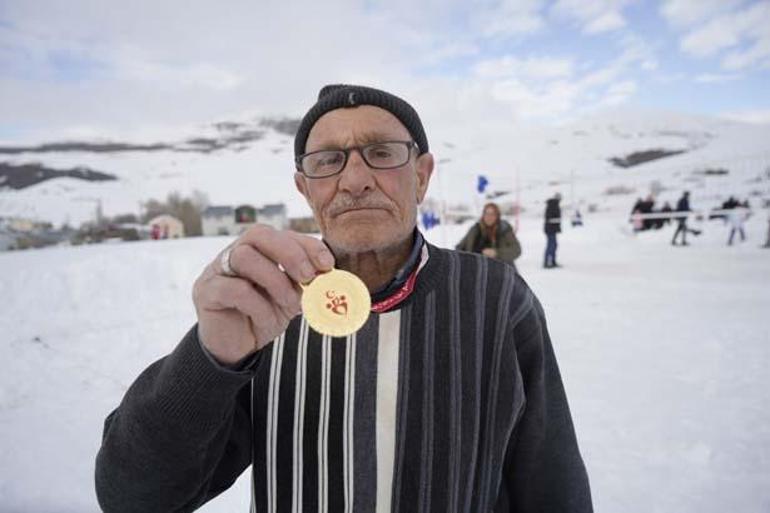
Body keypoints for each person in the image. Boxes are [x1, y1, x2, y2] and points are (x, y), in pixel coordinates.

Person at [95, 84, 592, 512]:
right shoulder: (268, 303)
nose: (354, 180)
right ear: (305, 188)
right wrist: (210, 360)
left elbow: (552, 480)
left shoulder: (497, 298)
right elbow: (133, 497)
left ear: (421, 175)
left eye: (381, 152)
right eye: (328, 161)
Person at [455, 202, 522, 269]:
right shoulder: (475, 229)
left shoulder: (504, 229)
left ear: (497, 216)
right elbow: (459, 247)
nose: (489, 217)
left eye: (492, 214)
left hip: (500, 270)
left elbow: (516, 250)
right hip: (476, 270)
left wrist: (496, 253)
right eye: (486, 213)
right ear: (483, 215)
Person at [543, 192, 562, 268]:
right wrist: (558, 221)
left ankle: (553, 261)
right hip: (550, 229)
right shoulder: (552, 205)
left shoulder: (554, 205)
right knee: (551, 246)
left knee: (554, 245)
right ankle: (547, 262)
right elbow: (549, 218)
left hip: (552, 229)